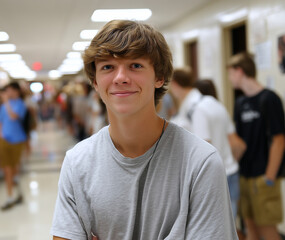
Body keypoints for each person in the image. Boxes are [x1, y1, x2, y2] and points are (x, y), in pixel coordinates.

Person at [51, 20, 237, 239]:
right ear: (95, 82)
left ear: (159, 77)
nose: (120, 78)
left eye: (135, 65)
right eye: (108, 67)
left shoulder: (200, 162)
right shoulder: (77, 163)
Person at [170, 70, 247, 220]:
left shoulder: (196, 109)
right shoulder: (213, 103)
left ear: (174, 85)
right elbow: (237, 144)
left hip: (212, 181)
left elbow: (203, 152)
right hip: (230, 172)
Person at [228, 52, 285, 240]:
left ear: (240, 71)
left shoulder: (269, 99)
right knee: (249, 226)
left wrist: (269, 177)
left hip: (264, 176)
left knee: (267, 231)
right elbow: (240, 140)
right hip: (245, 174)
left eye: (230, 73)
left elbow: (279, 140)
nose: (229, 78)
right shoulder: (240, 102)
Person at [0, 82, 27, 210]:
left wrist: (6, 102)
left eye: (9, 91)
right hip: (5, 140)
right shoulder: (3, 106)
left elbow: (13, 116)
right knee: (7, 169)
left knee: (14, 169)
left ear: (16, 92)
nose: (7, 93)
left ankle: (18, 192)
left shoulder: (20, 104)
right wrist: (0, 135)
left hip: (18, 140)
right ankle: (9, 196)